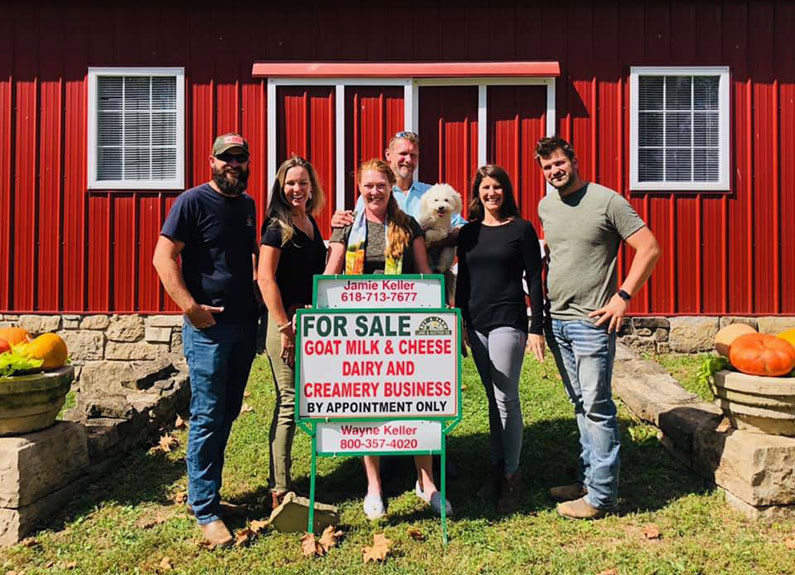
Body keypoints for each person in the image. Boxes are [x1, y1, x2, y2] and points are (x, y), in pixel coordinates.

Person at [536, 136, 661, 520]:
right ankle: (590, 480)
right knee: (580, 405)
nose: (554, 171)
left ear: (573, 159)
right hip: (557, 320)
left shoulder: (608, 201)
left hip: (592, 322)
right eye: (546, 168)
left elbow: (650, 247)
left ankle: (602, 497)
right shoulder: (546, 205)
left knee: (597, 406)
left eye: (559, 163)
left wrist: (623, 296)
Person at [323, 158, 452, 519]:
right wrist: (317, 312)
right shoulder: (347, 226)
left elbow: (426, 273)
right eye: (368, 185)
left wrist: (439, 312)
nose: (374, 191)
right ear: (359, 187)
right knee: (368, 405)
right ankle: (374, 485)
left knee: (416, 401)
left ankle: (426, 482)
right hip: (359, 333)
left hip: (404, 329)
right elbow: (332, 272)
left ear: (391, 186)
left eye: (381, 185)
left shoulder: (407, 224)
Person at [153, 133, 259, 547]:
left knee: (228, 411)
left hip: (243, 324)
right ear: (211, 161)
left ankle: (207, 495)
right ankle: (205, 509)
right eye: (226, 158)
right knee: (208, 414)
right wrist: (189, 307)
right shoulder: (192, 202)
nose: (233, 164)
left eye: (240, 158)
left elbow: (247, 257)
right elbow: (163, 257)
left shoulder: (247, 206)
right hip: (208, 331)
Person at [455, 165, 545, 513]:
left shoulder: (520, 229)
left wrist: (536, 326)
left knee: (506, 398)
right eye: (485, 188)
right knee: (492, 400)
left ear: (505, 191)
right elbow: (463, 281)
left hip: (508, 320)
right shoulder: (468, 233)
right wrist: (461, 321)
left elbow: (535, 280)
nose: (491, 193)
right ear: (477, 193)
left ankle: (512, 475)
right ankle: (495, 468)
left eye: (497, 187)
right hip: (476, 321)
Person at [257, 156, 327, 510]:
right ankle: (279, 489)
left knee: (304, 399)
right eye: (290, 184)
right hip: (283, 323)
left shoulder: (311, 222)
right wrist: (285, 327)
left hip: (308, 323)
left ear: (311, 187)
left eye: (302, 182)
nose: (296, 189)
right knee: (289, 402)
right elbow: (265, 278)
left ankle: (286, 479)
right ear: (280, 189)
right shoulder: (277, 227)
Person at [331, 131, 466, 240]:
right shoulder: (375, 196)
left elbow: (460, 225)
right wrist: (341, 222)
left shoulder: (432, 194)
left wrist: (443, 237)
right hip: (388, 270)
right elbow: (357, 228)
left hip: (426, 270)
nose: (408, 160)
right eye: (403, 154)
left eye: (413, 155)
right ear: (388, 155)